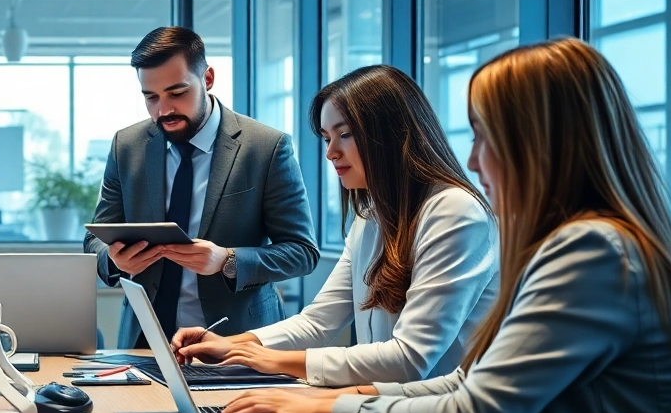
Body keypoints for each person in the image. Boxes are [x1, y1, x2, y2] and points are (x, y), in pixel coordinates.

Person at [215, 38, 671, 413]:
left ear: (543, 142)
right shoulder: (580, 244)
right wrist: (329, 399)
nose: (475, 160)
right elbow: (467, 381)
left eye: (485, 137)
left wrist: (328, 408)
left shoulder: (590, 251)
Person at [172, 66, 499, 386]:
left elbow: (409, 359)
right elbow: (318, 322)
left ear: (392, 133)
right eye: (327, 138)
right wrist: (231, 345)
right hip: (385, 406)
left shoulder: (455, 212)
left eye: (345, 135)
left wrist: (270, 360)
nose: (331, 153)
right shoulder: (370, 215)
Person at [85, 27, 319, 349]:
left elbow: (302, 252)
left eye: (177, 93)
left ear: (207, 78)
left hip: (237, 341)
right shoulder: (127, 146)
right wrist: (115, 261)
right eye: (151, 97)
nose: (163, 110)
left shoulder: (266, 147)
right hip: (145, 342)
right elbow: (95, 239)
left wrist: (228, 260)